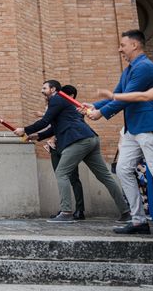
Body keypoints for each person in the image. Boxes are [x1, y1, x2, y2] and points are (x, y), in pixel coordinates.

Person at [13, 80, 129, 224]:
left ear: (53, 89)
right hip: (90, 138)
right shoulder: (61, 102)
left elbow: (44, 121)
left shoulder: (56, 99)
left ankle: (66, 212)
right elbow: (56, 126)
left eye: (44, 88)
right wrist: (37, 136)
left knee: (61, 173)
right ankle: (126, 212)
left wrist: (24, 129)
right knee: (105, 176)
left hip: (77, 140)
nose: (42, 91)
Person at [92, 30, 153, 234]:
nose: (120, 49)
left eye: (123, 45)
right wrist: (92, 105)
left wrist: (101, 112)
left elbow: (126, 96)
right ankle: (139, 221)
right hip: (132, 129)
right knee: (123, 169)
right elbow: (116, 94)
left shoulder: (145, 67)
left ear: (135, 45)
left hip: (146, 126)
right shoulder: (128, 70)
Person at [46, 84, 85, 220]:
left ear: (71, 96)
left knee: (74, 178)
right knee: (60, 177)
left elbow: (71, 126)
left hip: (69, 147)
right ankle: (64, 208)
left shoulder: (75, 109)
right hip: (55, 148)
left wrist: (54, 137)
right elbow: (54, 126)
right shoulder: (58, 106)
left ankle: (80, 210)